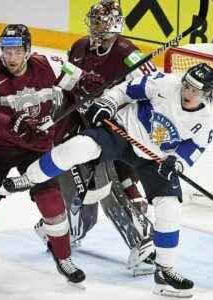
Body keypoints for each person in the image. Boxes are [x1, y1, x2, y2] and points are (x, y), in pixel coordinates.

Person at [0, 63, 213, 298]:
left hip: (154, 159)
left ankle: (164, 271)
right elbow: (126, 90)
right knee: (78, 147)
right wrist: (109, 102)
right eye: (187, 85)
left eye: (195, 90)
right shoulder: (164, 83)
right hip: (122, 132)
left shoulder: (205, 122)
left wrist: (176, 162)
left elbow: (192, 151)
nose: (187, 92)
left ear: (207, 94)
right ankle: (29, 178)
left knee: (170, 208)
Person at [35, 0, 158, 275]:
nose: (94, 26)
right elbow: (67, 84)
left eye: (100, 22)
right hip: (82, 126)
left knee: (109, 186)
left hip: (116, 131)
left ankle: (144, 244)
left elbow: (154, 90)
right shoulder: (79, 46)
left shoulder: (129, 54)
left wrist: (119, 109)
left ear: (114, 23)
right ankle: (64, 229)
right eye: (92, 20)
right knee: (86, 191)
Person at [0, 24, 86, 284]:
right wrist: (16, 126)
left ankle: (63, 257)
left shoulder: (49, 66)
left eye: (17, 51)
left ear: (28, 50)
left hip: (34, 148)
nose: (11, 58)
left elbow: (80, 82)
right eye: (6, 51)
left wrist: (92, 86)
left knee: (52, 201)